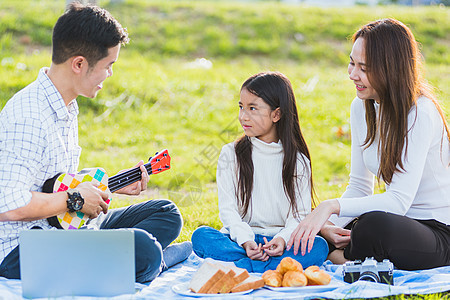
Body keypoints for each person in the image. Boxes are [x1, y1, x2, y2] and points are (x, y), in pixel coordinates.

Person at [0, 3, 191, 283]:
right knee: (145, 249)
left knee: (165, 213)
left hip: (64, 230)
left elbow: (46, 181)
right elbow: (7, 205)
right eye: (108, 65)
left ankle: (129, 260)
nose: (110, 74)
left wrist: (109, 185)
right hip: (23, 250)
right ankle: (156, 262)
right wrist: (76, 198)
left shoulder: (65, 106)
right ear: (79, 64)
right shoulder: (28, 118)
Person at [287, 18, 450, 271]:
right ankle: (337, 253)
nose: (352, 74)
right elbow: (359, 187)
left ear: (390, 68)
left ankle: (336, 257)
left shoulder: (420, 112)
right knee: (317, 226)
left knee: (372, 227)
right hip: (397, 221)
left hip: (437, 232)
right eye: (352, 63)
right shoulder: (361, 107)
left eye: (364, 68)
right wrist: (325, 223)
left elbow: (398, 201)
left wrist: (330, 206)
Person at [191, 72, 328, 273]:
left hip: (280, 243)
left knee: (318, 247)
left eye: (252, 108)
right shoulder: (231, 154)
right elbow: (228, 212)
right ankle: (270, 268)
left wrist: (282, 239)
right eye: (241, 107)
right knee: (201, 236)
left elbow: (298, 216)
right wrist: (246, 242)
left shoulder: (298, 161)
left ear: (276, 114)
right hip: (239, 240)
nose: (243, 116)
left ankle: (243, 267)